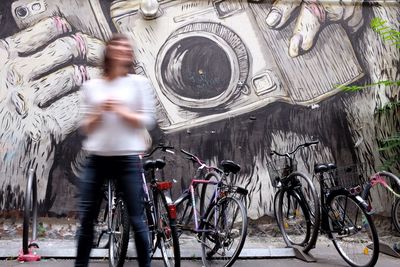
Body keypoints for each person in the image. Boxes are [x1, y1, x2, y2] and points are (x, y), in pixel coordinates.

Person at [75, 33, 156, 267]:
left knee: (137, 220)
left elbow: (146, 121)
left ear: (129, 54)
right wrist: (100, 112)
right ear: (108, 52)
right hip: (97, 159)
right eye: (117, 47)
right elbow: (86, 127)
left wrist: (120, 110)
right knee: (87, 219)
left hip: (127, 159)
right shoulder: (93, 86)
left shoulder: (139, 84)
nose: (122, 51)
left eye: (126, 48)